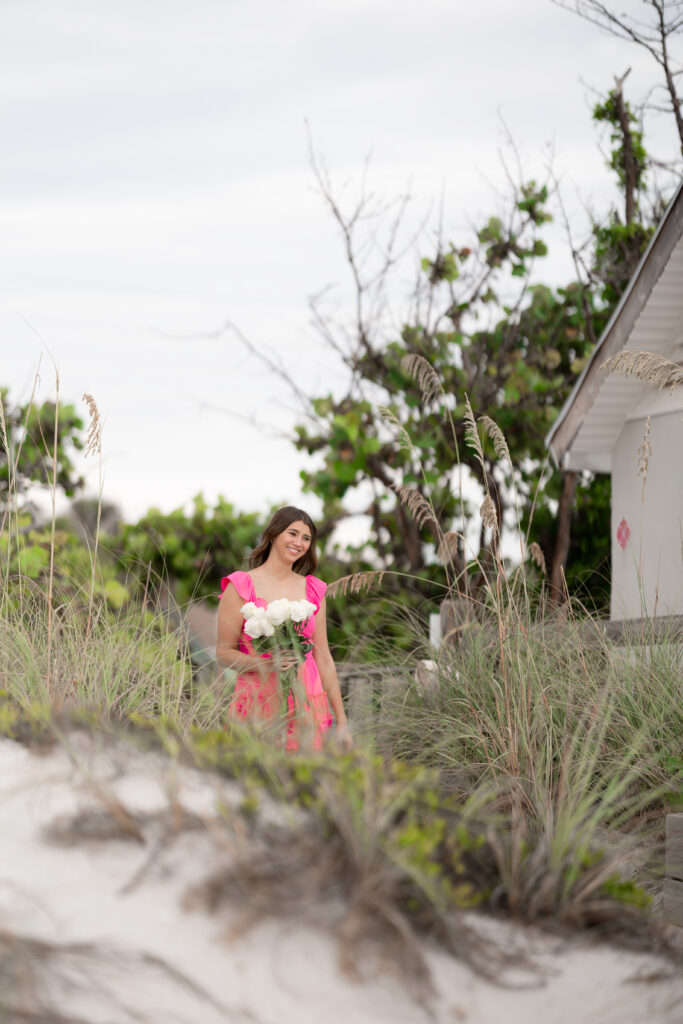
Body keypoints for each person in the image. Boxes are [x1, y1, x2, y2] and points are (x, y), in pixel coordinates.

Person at [216, 506, 353, 752]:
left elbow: (323, 658)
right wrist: (267, 664)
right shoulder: (241, 586)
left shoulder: (313, 589)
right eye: (292, 533)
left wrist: (342, 722)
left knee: (304, 783)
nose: (299, 543)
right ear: (273, 534)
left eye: (306, 538)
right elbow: (224, 652)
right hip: (257, 701)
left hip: (307, 704)